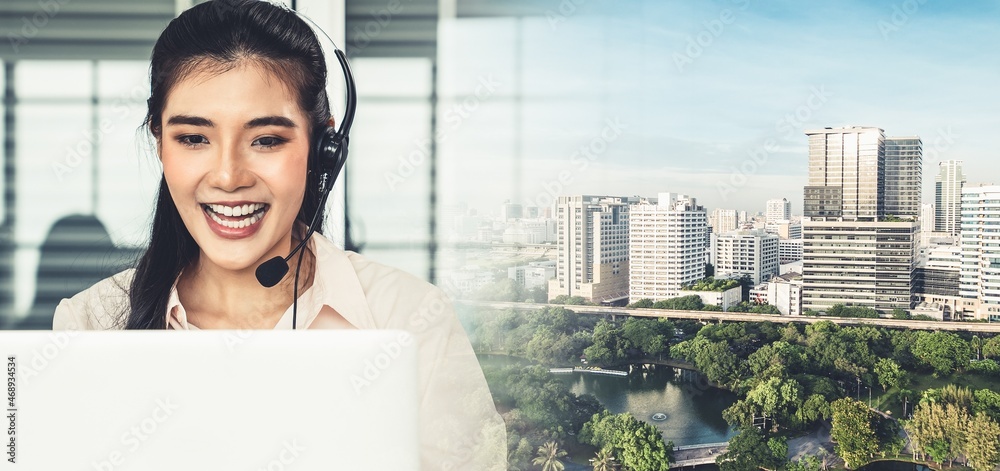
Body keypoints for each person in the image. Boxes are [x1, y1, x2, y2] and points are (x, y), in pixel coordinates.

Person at [50, 1, 506, 468]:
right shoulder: (91, 324)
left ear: (323, 149)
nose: (228, 176)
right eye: (193, 138)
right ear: (160, 144)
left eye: (266, 139)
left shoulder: (412, 320)